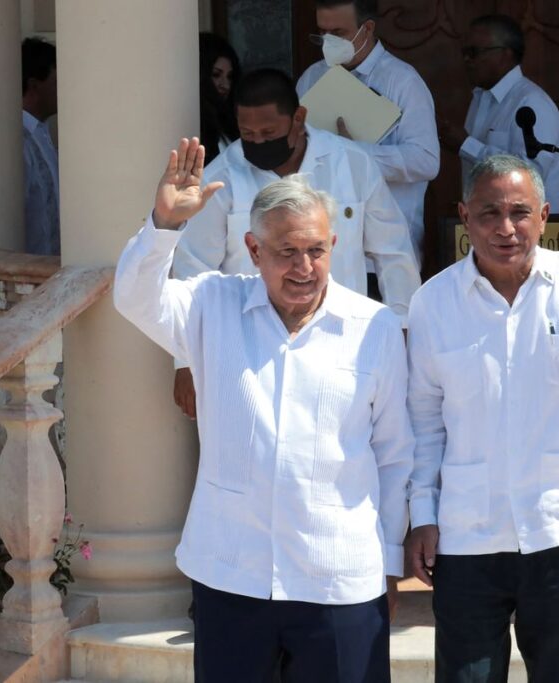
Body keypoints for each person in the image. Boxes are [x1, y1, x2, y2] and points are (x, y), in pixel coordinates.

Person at [114, 139, 413, 681]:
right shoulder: (211, 304)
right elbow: (134, 297)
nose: (304, 267)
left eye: (317, 251)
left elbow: (394, 454)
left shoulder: (376, 326)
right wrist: (163, 225)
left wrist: (390, 564)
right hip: (232, 574)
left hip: (338, 577)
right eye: (287, 252)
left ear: (334, 246)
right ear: (253, 251)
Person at [406, 155, 559, 682]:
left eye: (520, 212)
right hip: (468, 533)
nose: (505, 228)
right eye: (489, 213)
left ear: (545, 215)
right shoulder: (433, 303)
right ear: (464, 216)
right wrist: (421, 514)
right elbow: (425, 422)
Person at [171, 68, 420, 419]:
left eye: (269, 132)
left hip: (344, 348)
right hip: (249, 356)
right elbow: (191, 274)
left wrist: (404, 330)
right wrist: (185, 361)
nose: (257, 143)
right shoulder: (220, 179)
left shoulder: (352, 164)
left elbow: (394, 253)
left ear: (298, 118)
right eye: (247, 134)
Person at [296, 0, 440, 265]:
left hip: (385, 255)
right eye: (322, 33)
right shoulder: (311, 78)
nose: (329, 42)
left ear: (368, 28)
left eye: (338, 33)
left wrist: (353, 153)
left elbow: (426, 161)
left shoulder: (403, 81)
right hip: (322, 253)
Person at [438, 14, 559, 214]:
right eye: (464, 52)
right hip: (490, 227)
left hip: (533, 231)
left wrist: (466, 145)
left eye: (474, 52)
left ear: (505, 54)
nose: (466, 60)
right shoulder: (480, 98)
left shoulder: (531, 102)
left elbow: (531, 174)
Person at [21, 37, 60, 256]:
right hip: (28, 269)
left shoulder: (41, 133)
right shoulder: (18, 140)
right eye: (55, 82)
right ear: (35, 86)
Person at [199, 32, 242, 164]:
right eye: (216, 75)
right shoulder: (195, 124)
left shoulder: (233, 122)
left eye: (230, 77)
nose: (226, 85)